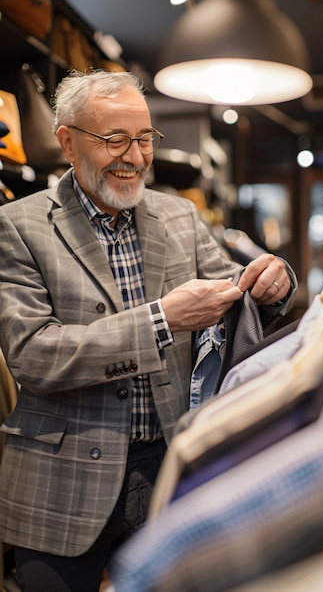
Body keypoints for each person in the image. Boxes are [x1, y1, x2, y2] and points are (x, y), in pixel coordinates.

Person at [0, 69, 297, 592]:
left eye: (144, 138)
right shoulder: (18, 226)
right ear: (68, 141)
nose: (135, 157)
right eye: (114, 139)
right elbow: (33, 354)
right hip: (61, 485)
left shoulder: (179, 216)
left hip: (167, 467)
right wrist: (161, 320)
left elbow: (236, 287)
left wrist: (275, 281)